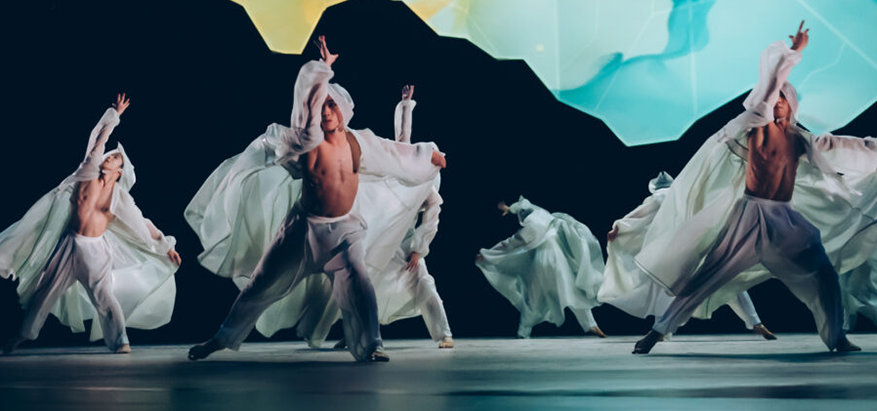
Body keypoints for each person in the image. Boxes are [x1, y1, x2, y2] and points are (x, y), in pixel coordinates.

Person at [186, 38, 447, 362]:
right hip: (301, 230)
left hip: (345, 234)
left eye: (331, 105)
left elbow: (396, 153)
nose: (325, 111)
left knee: (360, 287)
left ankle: (371, 345)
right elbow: (304, 107)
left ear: (343, 111)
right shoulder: (306, 141)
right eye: (321, 105)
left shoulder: (359, 143)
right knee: (260, 286)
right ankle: (221, 338)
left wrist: (428, 155)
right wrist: (322, 71)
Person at [634, 21, 877, 354]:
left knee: (823, 273)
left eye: (783, 99)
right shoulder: (756, 127)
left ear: (792, 105)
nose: (777, 101)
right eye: (774, 97)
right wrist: (793, 53)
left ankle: (837, 337)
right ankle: (658, 331)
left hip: (786, 219)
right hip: (750, 215)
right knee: (709, 275)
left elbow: (836, 146)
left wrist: (876, 152)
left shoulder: (800, 139)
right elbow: (766, 93)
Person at [0, 94, 181, 354]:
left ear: (119, 172)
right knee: (44, 293)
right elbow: (97, 141)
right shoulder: (87, 173)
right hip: (69, 245)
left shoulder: (120, 199)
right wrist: (114, 116)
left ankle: (121, 341)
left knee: (103, 295)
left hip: (95, 250)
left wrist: (166, 246)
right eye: (110, 155)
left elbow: (142, 223)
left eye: (115, 158)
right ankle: (21, 336)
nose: (109, 157)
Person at [286, 85, 456, 349]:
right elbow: (402, 144)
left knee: (423, 282)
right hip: (379, 236)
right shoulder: (398, 172)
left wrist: (418, 249)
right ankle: (357, 334)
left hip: (403, 245)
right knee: (361, 285)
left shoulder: (427, 189)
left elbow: (433, 215)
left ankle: (444, 333)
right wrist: (405, 106)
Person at [600, 171, 776, 339]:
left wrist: (618, 227)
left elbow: (637, 215)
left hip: (676, 251)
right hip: (700, 244)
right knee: (725, 281)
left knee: (665, 286)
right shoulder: (686, 194)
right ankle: (755, 322)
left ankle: (662, 330)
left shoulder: (659, 197)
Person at [477, 197, 608, 339]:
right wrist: (511, 209)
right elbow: (527, 206)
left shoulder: (530, 229)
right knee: (571, 291)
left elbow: (509, 244)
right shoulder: (547, 218)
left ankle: (523, 331)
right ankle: (591, 325)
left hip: (542, 263)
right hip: (559, 262)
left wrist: (488, 254)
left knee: (534, 297)